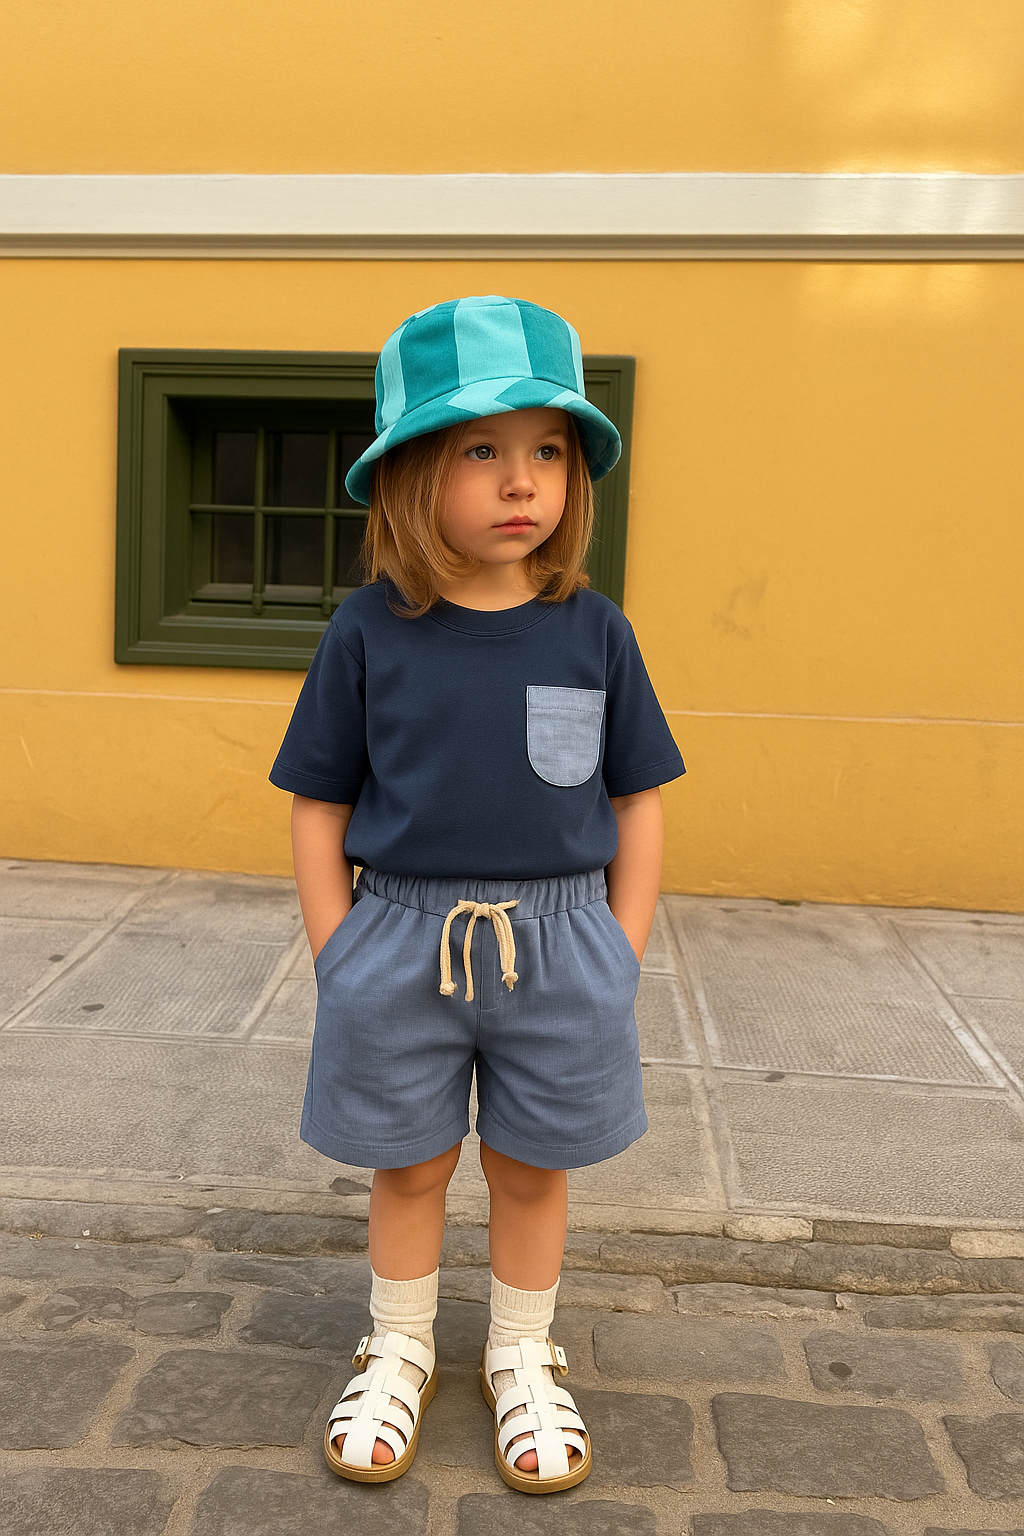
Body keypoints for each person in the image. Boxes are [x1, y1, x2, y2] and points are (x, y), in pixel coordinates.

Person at [269, 294, 685, 1493]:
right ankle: (399, 1343)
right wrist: (340, 953)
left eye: (548, 451)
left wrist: (618, 949)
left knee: (531, 1166)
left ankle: (519, 1350)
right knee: (406, 1165)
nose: (521, 482)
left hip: (560, 942)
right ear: (411, 474)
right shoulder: (368, 632)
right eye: (482, 451)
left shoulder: (593, 632)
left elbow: (637, 800)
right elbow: (318, 803)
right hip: (399, 935)